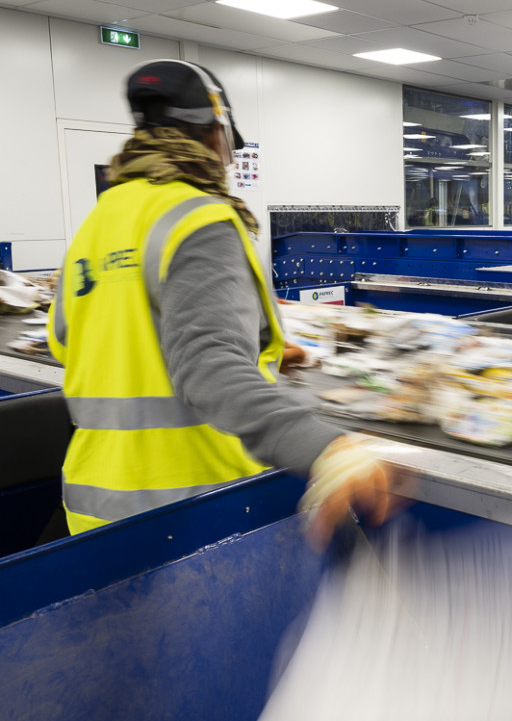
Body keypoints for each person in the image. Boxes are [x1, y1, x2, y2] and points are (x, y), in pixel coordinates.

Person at [47, 60, 392, 541]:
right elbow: (208, 369)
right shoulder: (196, 217)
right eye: (229, 145)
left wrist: (252, 353)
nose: (230, 161)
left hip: (91, 503)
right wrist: (325, 448)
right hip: (187, 506)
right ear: (215, 132)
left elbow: (69, 343)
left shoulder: (100, 220)